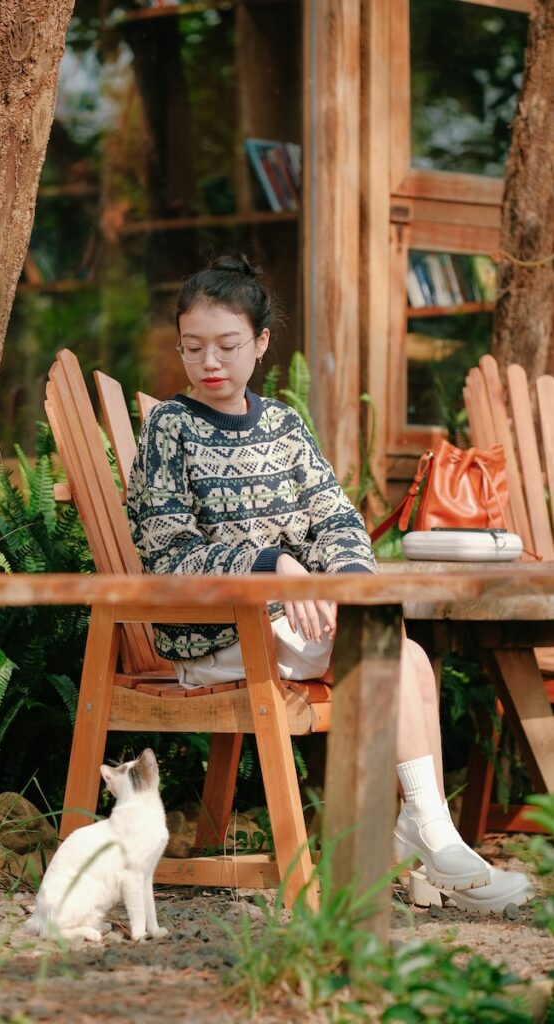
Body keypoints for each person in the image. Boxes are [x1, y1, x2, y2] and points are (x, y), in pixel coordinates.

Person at [127, 254, 531, 913]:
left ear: (260, 342)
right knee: (398, 657)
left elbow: (336, 519)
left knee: (406, 657)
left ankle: (431, 836)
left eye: (227, 345)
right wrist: (275, 567)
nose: (210, 362)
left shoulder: (284, 426)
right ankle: (431, 840)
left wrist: (343, 581)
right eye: (192, 347)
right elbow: (169, 552)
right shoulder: (169, 428)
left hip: (290, 629)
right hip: (215, 634)